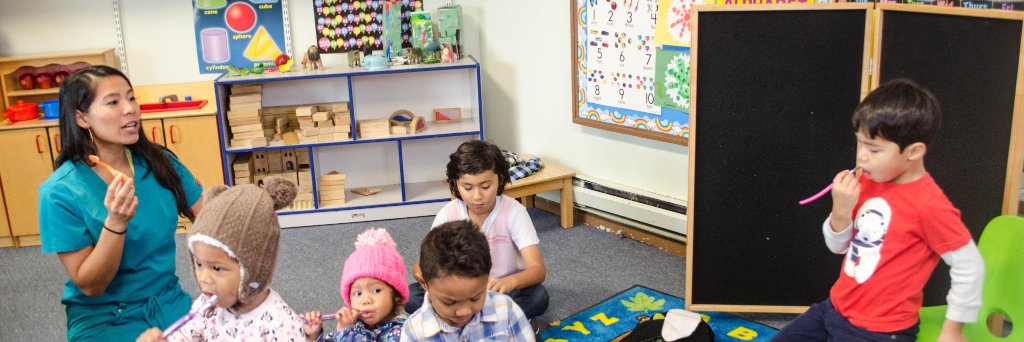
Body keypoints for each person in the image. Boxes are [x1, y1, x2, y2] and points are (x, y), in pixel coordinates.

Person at [772, 79, 984, 342]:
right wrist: (840, 211)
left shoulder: (930, 205)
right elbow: (838, 247)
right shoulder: (868, 181)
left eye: (874, 149)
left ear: (914, 152)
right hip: (835, 308)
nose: (861, 156)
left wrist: (953, 330)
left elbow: (970, 265)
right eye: (860, 143)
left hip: (880, 330)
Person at [38, 65, 204, 341]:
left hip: (167, 301)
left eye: (131, 97)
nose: (130, 109)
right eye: (113, 102)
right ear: (81, 118)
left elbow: (211, 220)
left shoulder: (160, 163)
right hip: (105, 317)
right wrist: (115, 223)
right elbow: (91, 286)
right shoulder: (58, 192)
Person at [136, 177, 305, 341]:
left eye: (216, 268)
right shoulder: (205, 306)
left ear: (253, 270)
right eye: (199, 264)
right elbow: (186, 336)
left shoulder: (281, 325)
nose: (203, 278)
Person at [404, 140, 549, 319]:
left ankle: (461, 320)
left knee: (538, 297)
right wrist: (423, 275)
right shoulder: (448, 213)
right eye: (467, 187)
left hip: (500, 291)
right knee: (411, 296)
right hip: (459, 294)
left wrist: (508, 282)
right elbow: (421, 264)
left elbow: (537, 270)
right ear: (456, 184)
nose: (477, 196)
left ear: (500, 179)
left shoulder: (514, 212)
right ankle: (490, 319)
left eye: (486, 186)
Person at [401, 220, 534, 341]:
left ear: (488, 276)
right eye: (449, 302)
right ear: (424, 284)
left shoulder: (507, 310)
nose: (464, 311)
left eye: (475, 298)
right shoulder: (414, 332)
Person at [301, 228, 409, 341]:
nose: (365, 300)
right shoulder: (353, 323)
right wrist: (315, 336)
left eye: (376, 291)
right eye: (358, 293)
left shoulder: (403, 332)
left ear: (396, 296)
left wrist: (347, 332)